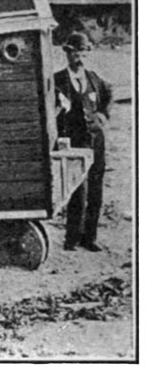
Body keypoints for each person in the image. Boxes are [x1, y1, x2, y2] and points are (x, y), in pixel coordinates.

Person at [54, 32, 113, 252]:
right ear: (67, 53)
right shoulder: (57, 80)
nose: (79, 57)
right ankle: (71, 239)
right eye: (75, 53)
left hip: (96, 140)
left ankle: (90, 238)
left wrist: (104, 114)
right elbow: (50, 107)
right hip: (73, 140)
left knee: (96, 189)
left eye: (83, 53)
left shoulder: (94, 79)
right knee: (77, 189)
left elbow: (109, 93)